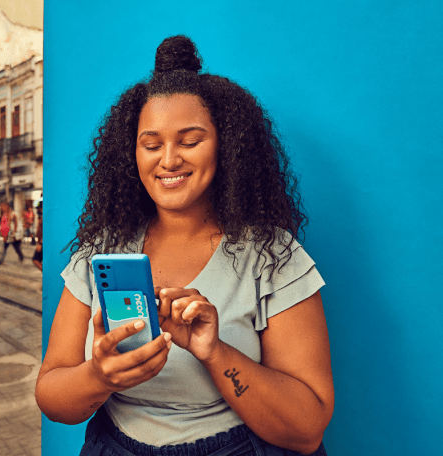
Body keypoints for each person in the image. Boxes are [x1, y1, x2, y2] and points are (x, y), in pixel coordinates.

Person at [36, 36, 334, 456]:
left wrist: (213, 352)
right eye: (151, 145)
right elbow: (50, 396)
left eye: (190, 141)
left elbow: (306, 430)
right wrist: (99, 376)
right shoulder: (98, 252)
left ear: (226, 146)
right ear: (131, 153)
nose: (169, 160)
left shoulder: (271, 256)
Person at [32, 201, 42, 271]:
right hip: (41, 242)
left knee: (35, 260)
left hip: (42, 243)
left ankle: (47, 274)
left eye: (39, 208)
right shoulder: (41, 217)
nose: (38, 210)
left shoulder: (45, 217)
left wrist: (40, 243)